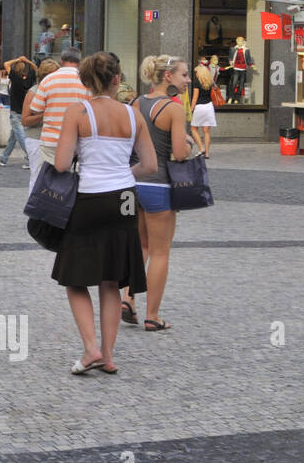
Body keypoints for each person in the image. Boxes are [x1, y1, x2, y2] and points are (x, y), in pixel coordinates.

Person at [51, 51, 157, 375]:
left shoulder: (78, 112)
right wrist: (124, 176)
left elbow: (60, 163)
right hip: (124, 196)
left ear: (85, 80)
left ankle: (90, 349)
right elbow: (151, 165)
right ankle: (108, 357)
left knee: (75, 278)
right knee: (111, 278)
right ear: (116, 79)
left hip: (89, 196)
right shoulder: (133, 114)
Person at [121, 55, 192, 333]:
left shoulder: (137, 102)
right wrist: (186, 140)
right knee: (161, 252)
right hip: (160, 184)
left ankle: (128, 298)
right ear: (168, 76)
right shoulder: (173, 109)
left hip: (135, 181)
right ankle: (153, 316)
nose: (188, 80)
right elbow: (180, 153)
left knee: (141, 245)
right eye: (184, 75)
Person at [24, 48, 88, 167]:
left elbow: (35, 109)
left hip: (50, 140)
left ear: (62, 61)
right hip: (75, 140)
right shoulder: (85, 81)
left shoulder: (48, 80)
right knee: (70, 177)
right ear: (79, 62)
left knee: (47, 178)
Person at [22, 58, 59, 190]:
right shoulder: (34, 91)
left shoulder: (57, 91)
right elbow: (25, 120)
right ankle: (34, 206)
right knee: (38, 176)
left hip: (54, 140)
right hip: (36, 139)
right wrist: (44, 115)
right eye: (55, 74)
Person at [0, 57, 36, 167]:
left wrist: (18, 59)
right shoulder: (28, 78)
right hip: (24, 111)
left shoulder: (14, 77)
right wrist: (27, 61)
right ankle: (3, 158)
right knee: (13, 137)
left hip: (15, 112)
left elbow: (6, 63)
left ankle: (30, 157)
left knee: (20, 136)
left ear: (16, 69)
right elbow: (36, 68)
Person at [190, 60, 218, 158]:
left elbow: (195, 98)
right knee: (206, 131)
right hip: (209, 107)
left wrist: (191, 109)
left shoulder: (197, 83)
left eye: (196, 72)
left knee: (193, 128)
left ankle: (201, 148)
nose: (196, 74)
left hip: (199, 107)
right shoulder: (209, 82)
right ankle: (207, 153)